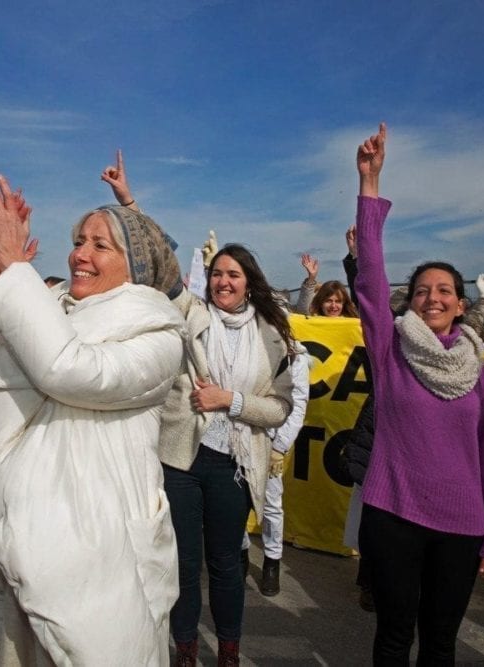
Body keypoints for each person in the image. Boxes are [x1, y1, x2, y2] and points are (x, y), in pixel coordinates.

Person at [0, 173, 185, 665]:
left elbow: (68, 370)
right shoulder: (45, 305)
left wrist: (12, 276)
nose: (79, 255)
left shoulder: (158, 335)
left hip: (86, 558)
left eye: (100, 244)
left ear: (136, 265)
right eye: (77, 241)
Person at [352, 123, 484, 664]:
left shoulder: (476, 369)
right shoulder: (390, 349)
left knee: (441, 643)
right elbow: (370, 280)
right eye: (422, 291)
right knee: (394, 638)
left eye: (444, 290)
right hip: (393, 514)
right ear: (409, 303)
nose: (433, 297)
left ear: (461, 306)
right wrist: (370, 186)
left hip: (461, 525)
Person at [160, 243, 295, 666]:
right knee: (182, 563)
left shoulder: (272, 336)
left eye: (233, 274)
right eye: (217, 273)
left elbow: (279, 408)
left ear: (249, 283)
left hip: (233, 465)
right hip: (181, 459)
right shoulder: (190, 314)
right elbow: (162, 269)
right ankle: (185, 648)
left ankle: (229, 652)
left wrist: (230, 401)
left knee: (225, 565)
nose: (224, 282)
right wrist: (129, 204)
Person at [241, 346, 309, 597]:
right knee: (236, 500)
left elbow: (298, 403)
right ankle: (241, 553)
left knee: (271, 504)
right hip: (240, 434)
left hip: (271, 440)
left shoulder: (295, 355)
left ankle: (272, 560)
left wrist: (279, 447)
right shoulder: (248, 344)